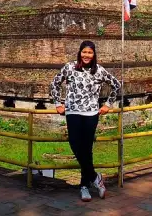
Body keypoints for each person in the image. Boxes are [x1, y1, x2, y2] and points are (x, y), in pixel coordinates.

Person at [50, 40, 122, 202]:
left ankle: (84, 186)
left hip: (91, 114)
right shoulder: (70, 67)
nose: (87, 55)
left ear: (94, 54)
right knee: (75, 144)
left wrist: (108, 105)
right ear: (79, 52)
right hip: (73, 112)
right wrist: (57, 103)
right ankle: (96, 178)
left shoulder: (99, 71)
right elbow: (54, 83)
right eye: (84, 52)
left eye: (90, 52)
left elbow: (116, 85)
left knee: (86, 149)